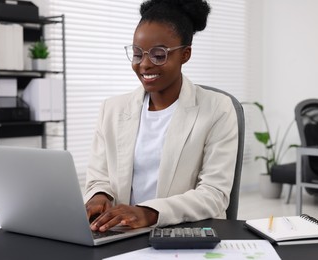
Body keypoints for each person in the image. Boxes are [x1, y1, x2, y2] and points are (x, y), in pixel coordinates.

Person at [84, 0, 238, 232]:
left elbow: (214, 194)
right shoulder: (112, 109)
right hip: (123, 232)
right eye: (137, 54)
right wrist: (98, 195)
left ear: (185, 54)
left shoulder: (217, 109)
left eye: (158, 55)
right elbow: (98, 177)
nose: (144, 64)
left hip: (186, 233)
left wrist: (148, 213)